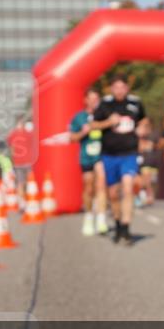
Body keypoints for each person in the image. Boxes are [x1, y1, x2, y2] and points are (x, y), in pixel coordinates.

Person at [91, 76, 148, 246]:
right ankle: (117, 223)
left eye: (123, 87)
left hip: (129, 153)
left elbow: (144, 120)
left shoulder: (136, 103)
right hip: (109, 154)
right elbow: (93, 125)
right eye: (116, 87)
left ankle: (126, 227)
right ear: (111, 88)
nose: (120, 91)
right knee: (113, 194)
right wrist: (109, 122)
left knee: (128, 188)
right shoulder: (105, 104)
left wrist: (143, 128)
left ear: (127, 88)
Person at [69, 88, 109, 236]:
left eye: (96, 99)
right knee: (89, 187)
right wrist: (83, 132)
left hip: (102, 155)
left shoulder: (104, 115)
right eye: (91, 99)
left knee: (101, 185)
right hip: (86, 156)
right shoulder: (79, 118)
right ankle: (88, 216)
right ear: (86, 100)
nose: (94, 102)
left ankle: (101, 218)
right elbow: (72, 138)